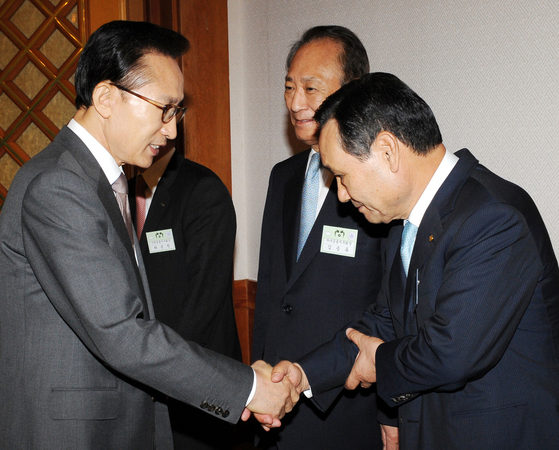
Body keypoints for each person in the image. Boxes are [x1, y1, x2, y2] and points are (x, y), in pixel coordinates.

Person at [0, 20, 297, 449]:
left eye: (177, 112)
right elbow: (121, 332)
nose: (172, 130)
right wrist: (248, 388)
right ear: (105, 97)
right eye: (163, 109)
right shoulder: (59, 186)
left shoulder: (99, 180)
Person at [273, 72, 559, 449]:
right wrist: (303, 374)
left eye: (342, 176)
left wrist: (379, 363)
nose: (341, 196)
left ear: (388, 151)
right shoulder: (403, 222)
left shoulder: (493, 216)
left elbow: (451, 352)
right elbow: (384, 321)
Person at [251, 26, 389, 450]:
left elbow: (391, 305)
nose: (295, 102)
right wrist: (262, 386)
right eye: (289, 87)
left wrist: (392, 413)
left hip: (347, 407)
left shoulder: (379, 180)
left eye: (311, 88)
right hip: (279, 400)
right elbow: (274, 293)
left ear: (352, 92)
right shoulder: (284, 177)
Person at [129, 143, 242, 450]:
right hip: (143, 377)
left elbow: (205, 299)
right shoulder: (122, 191)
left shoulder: (202, 190)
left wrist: (164, 371)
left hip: (196, 381)